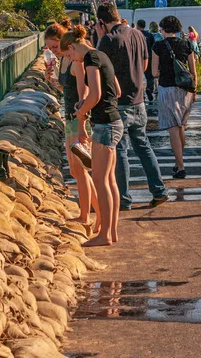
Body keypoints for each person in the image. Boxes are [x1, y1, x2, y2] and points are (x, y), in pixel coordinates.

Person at [95, 3, 169, 209]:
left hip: (119, 103)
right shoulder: (137, 34)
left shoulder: (108, 40)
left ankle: (124, 199)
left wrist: (100, 37)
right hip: (139, 101)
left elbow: (98, 70)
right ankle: (159, 190)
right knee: (143, 147)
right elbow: (144, 65)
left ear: (102, 22)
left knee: (120, 151)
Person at [60, 25, 124, 247]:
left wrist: (81, 111)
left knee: (99, 179)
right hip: (113, 121)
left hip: (105, 124)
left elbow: (95, 94)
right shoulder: (101, 54)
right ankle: (111, 231)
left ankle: (104, 234)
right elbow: (116, 91)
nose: (73, 60)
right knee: (109, 180)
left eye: (70, 55)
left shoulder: (90, 58)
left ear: (72, 47)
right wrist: (85, 105)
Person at [44, 21, 100, 229]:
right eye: (50, 49)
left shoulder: (75, 61)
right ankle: (91, 213)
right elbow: (68, 89)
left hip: (78, 119)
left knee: (81, 168)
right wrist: (53, 82)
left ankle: (88, 215)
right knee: (77, 171)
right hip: (70, 118)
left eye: (55, 47)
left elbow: (83, 92)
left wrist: (81, 122)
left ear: (65, 42)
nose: (53, 52)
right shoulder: (65, 61)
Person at [152, 16, 197, 179]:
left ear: (164, 29)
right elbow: (193, 71)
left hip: (167, 88)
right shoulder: (187, 44)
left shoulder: (158, 46)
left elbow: (154, 73)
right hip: (186, 90)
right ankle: (179, 163)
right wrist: (195, 91)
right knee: (181, 127)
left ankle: (181, 166)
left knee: (173, 128)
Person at [136, 19, 155, 103]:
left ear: (137, 25)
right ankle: (149, 89)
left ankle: (140, 94)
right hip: (148, 57)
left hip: (137, 58)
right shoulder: (149, 35)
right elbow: (153, 47)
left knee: (137, 76)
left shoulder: (135, 34)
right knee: (150, 76)